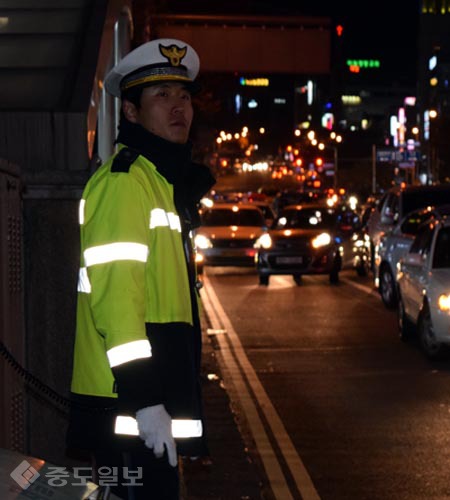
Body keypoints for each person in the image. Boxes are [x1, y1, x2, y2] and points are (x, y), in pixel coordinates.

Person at [66, 38, 216, 499]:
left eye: (184, 96)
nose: (178, 108)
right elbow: (117, 308)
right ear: (130, 112)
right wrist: (146, 402)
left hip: (144, 411)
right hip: (129, 410)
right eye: (161, 96)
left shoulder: (158, 182)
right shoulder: (127, 183)